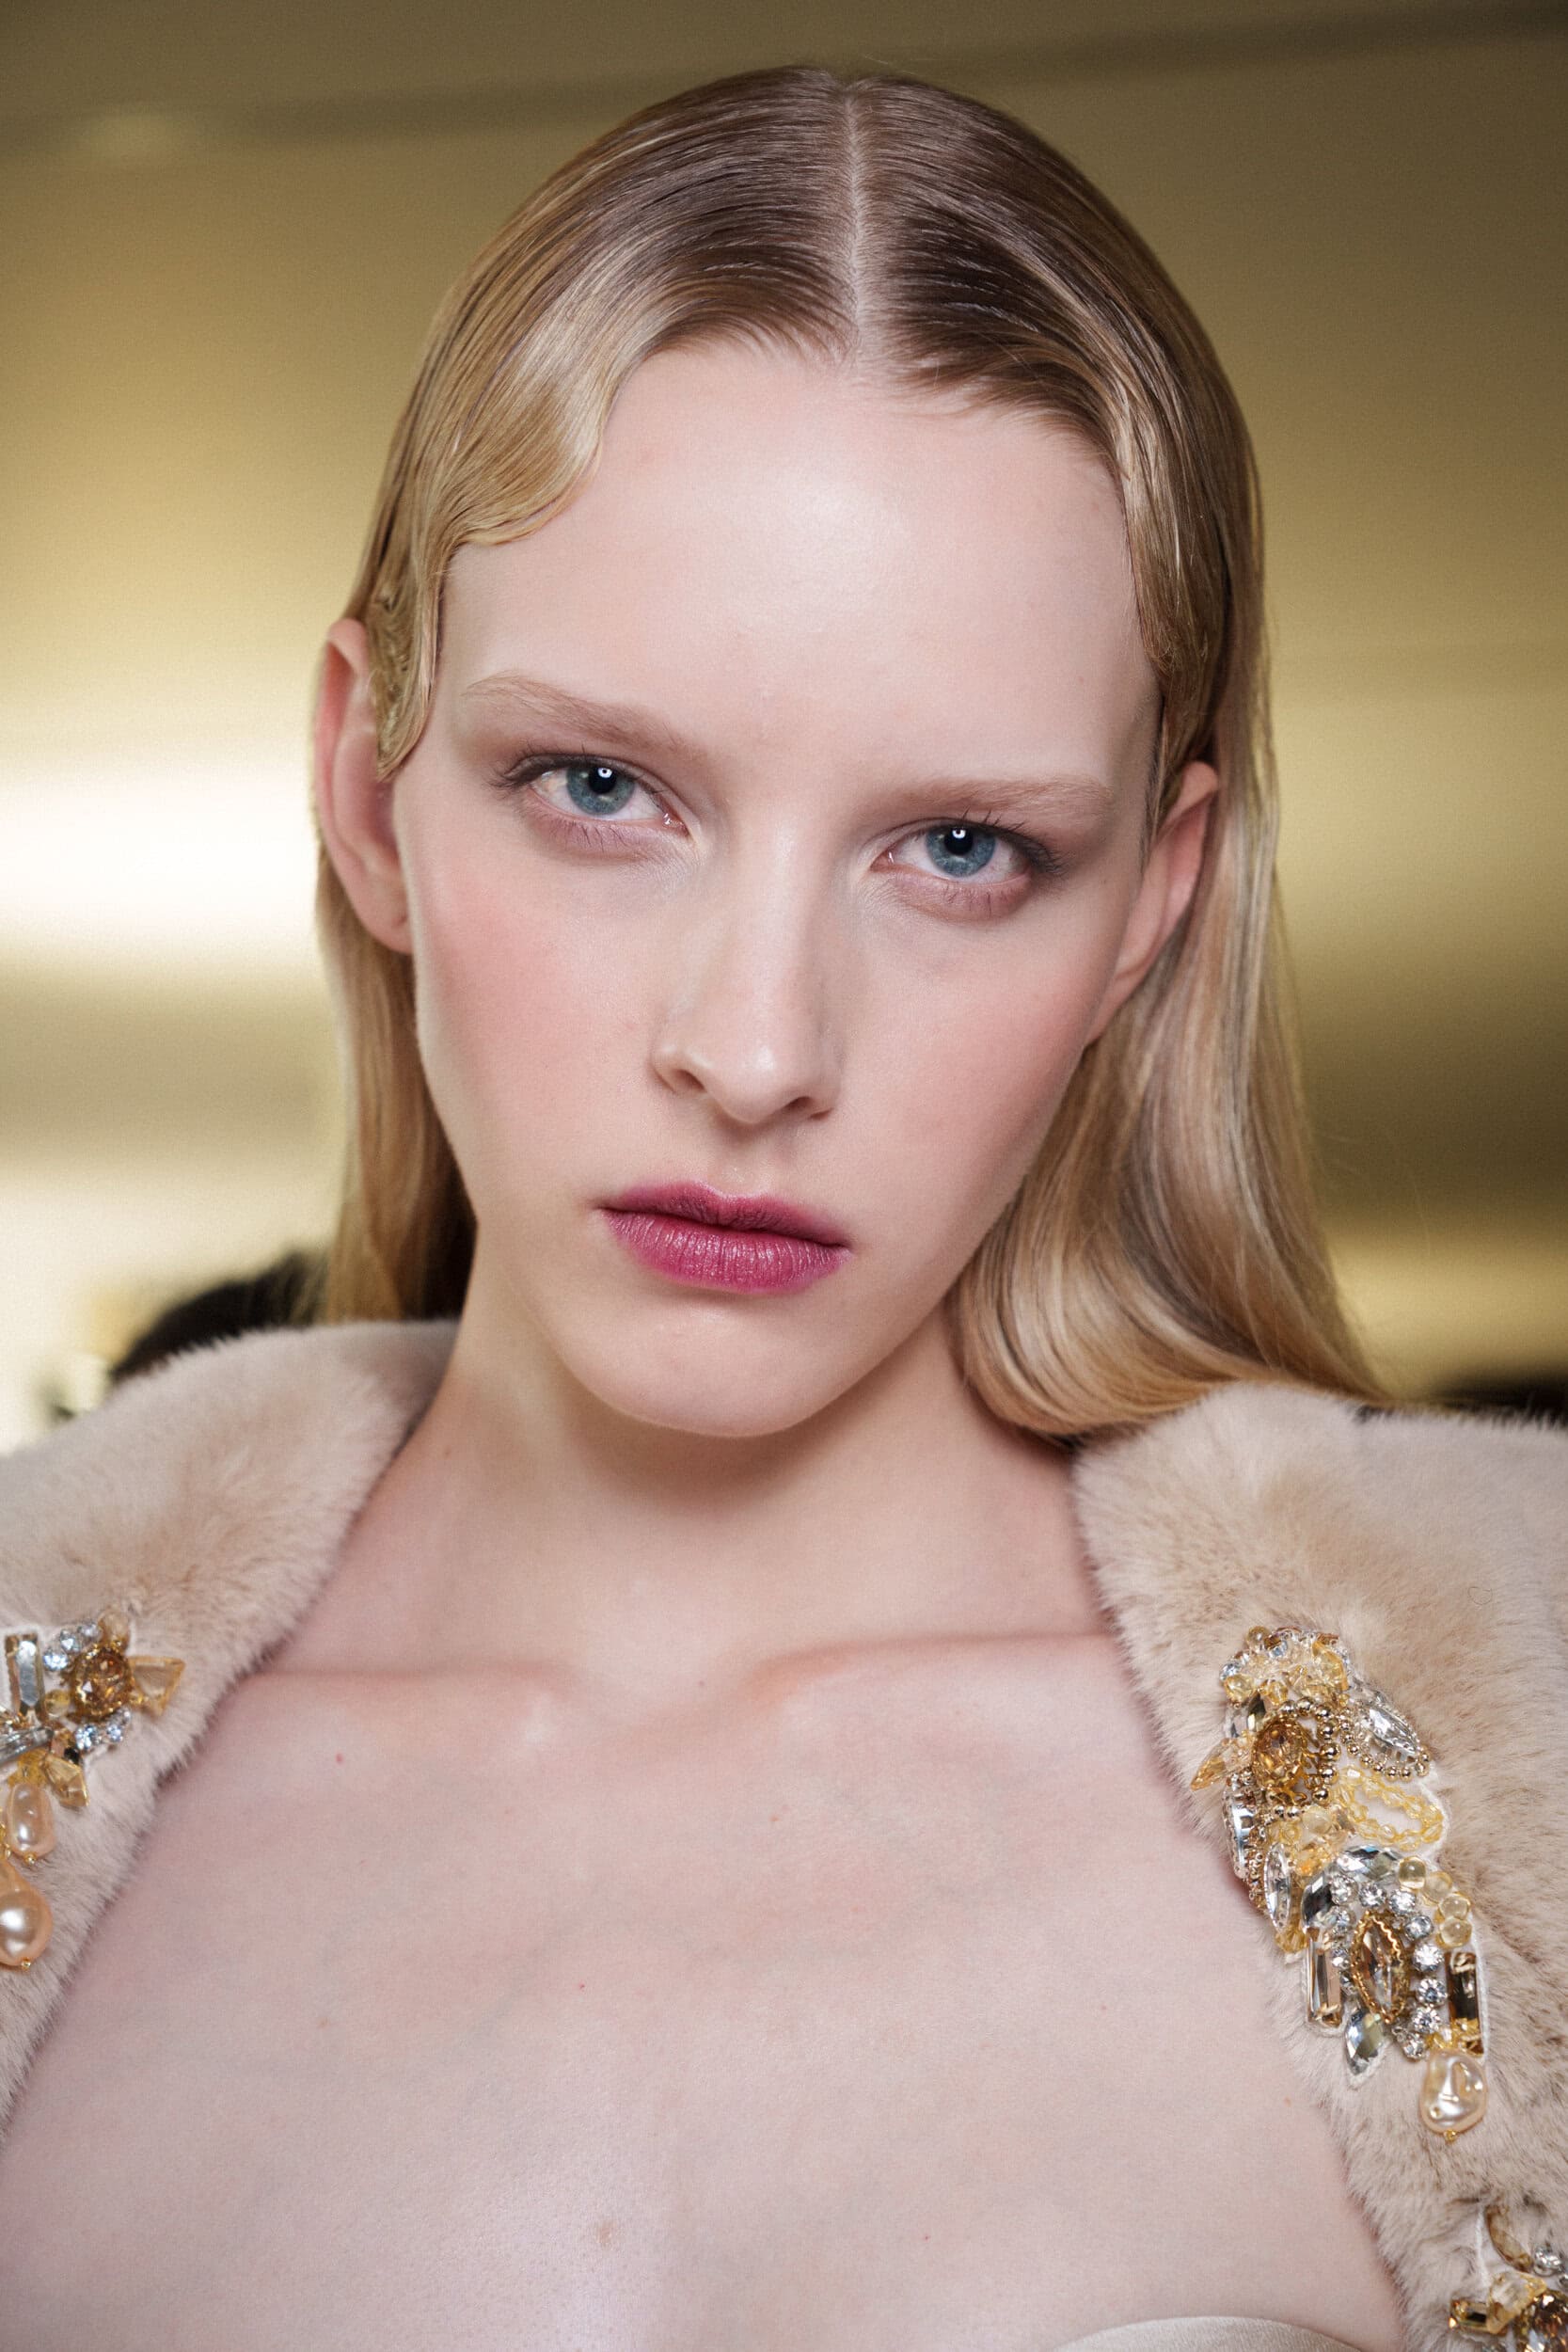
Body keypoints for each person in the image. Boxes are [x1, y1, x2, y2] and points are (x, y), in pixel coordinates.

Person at [0, 68, 1563, 2352]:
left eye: (962, 848)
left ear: (1154, 902)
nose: (754, 1051)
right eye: (600, 786)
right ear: (367, 787)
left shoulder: (1525, 1767)